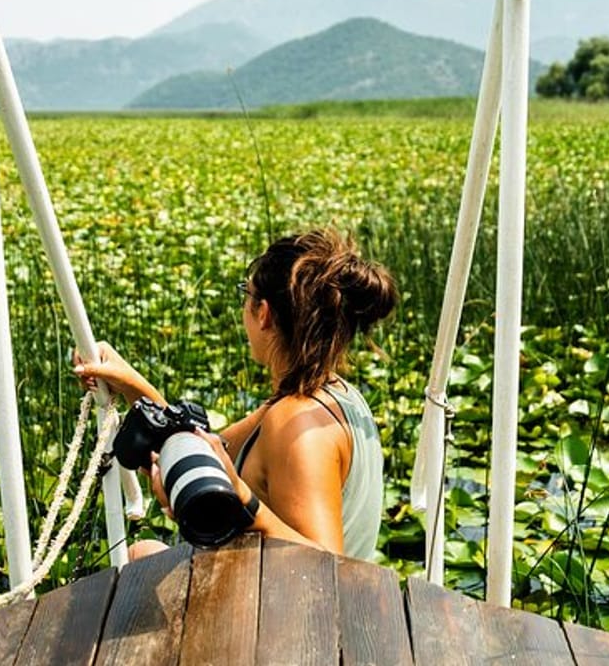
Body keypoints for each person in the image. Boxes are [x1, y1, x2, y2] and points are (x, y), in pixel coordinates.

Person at [73, 229, 397, 560]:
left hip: (308, 607)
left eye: (247, 293)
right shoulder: (328, 394)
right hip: (289, 592)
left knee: (142, 555)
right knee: (144, 552)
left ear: (263, 312)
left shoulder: (294, 425)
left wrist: (244, 501)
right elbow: (202, 444)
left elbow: (327, 565)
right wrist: (130, 382)